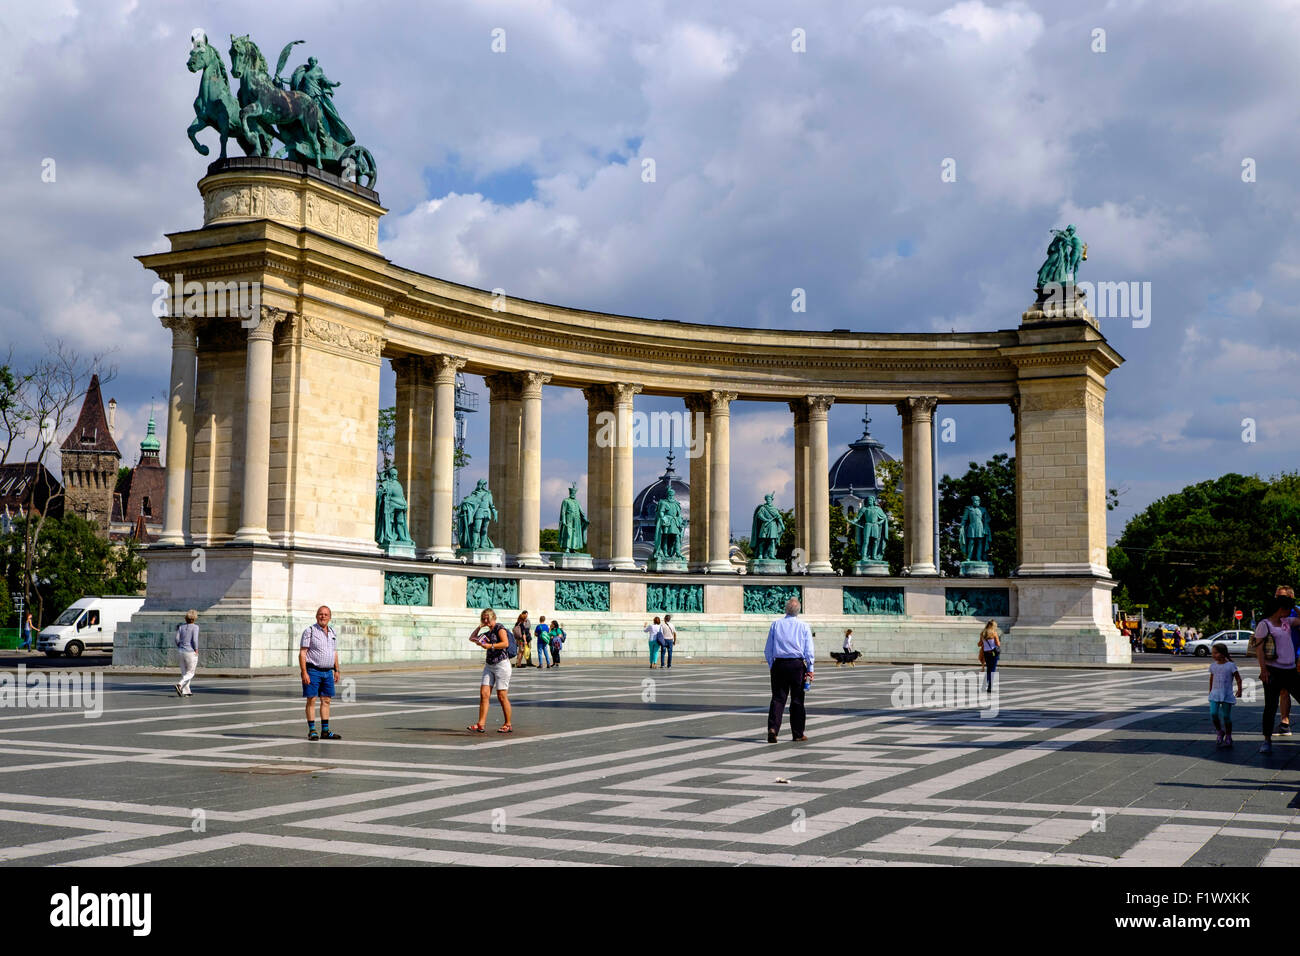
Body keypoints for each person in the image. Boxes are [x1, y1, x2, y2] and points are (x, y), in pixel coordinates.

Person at [764, 597, 815, 743]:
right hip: (797, 665)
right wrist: (810, 669)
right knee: (797, 700)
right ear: (799, 610)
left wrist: (772, 666)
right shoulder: (804, 626)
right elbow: (809, 651)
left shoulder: (776, 625)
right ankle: (798, 733)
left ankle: (773, 729)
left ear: (786, 609)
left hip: (779, 664)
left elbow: (768, 650)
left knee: (778, 699)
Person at [1253, 595, 1300, 754]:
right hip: (1273, 670)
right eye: (1288, 609)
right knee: (1270, 706)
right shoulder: (1264, 624)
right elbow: (1259, 649)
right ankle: (1267, 740)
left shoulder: (1287, 622)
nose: (1290, 612)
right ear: (1280, 609)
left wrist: (1295, 607)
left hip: (1291, 669)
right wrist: (1263, 669)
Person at [468, 607, 513, 734]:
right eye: (483, 618)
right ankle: (480, 724)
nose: (485, 619)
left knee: (502, 696)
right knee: (484, 694)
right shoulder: (488, 632)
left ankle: (508, 724)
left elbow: (505, 643)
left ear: (493, 617)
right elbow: (472, 638)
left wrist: (490, 646)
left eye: (487, 617)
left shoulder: (500, 628)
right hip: (489, 665)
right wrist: (480, 626)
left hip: (501, 665)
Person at [300, 605, 342, 741]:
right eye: (320, 614)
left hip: (328, 672)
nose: (323, 616)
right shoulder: (309, 631)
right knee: (311, 699)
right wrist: (304, 672)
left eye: (326, 614)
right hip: (313, 670)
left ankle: (325, 731)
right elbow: (302, 653)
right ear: (316, 616)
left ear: (330, 617)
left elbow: (334, 653)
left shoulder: (333, 632)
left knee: (326, 700)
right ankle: (312, 730)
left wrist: (336, 669)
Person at [1208, 643, 1242, 749]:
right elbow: (1211, 678)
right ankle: (1219, 731)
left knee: (1226, 716)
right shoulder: (1213, 666)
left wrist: (1240, 689)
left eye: (1215, 653)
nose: (1213, 655)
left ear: (1223, 653)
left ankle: (1228, 735)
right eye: (1212, 653)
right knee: (1213, 714)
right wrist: (1210, 691)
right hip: (1215, 694)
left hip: (1226, 694)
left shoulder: (1230, 665)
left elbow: (1238, 678)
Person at [1274, 585, 1296, 735]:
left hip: (1298, 655)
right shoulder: (1276, 612)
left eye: (1280, 596)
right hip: (1282, 658)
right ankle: (1284, 722)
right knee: (1283, 690)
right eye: (1276, 596)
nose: (1277, 599)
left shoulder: (1296, 611)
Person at [174, 609, 199, 697]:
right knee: (191, 672)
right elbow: (195, 640)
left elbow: (176, 639)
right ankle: (180, 684)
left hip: (181, 651)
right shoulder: (195, 627)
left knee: (184, 672)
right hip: (190, 651)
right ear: (195, 618)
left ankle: (186, 691)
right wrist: (196, 649)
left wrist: (180, 646)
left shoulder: (181, 627)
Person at [978, 620, 1001, 692]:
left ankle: (986, 683)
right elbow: (998, 644)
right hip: (993, 653)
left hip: (986, 653)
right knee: (992, 670)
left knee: (988, 669)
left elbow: (979, 644)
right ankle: (990, 686)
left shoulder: (983, 633)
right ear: (993, 626)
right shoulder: (994, 633)